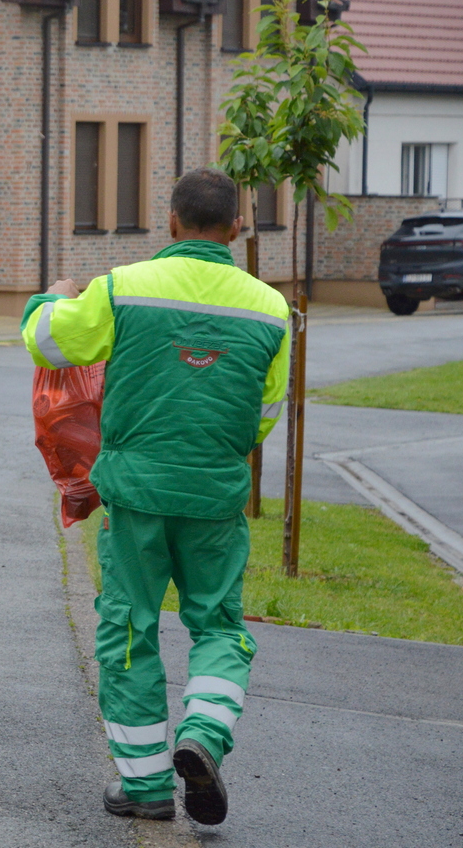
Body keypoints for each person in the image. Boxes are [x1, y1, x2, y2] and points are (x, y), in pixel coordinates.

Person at [20, 168, 290, 825]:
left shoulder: (123, 287)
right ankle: (203, 732)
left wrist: (46, 299)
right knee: (219, 625)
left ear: (170, 222)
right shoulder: (270, 309)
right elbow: (264, 410)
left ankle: (142, 785)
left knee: (130, 624)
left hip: (136, 493)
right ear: (235, 228)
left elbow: (49, 342)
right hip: (217, 496)